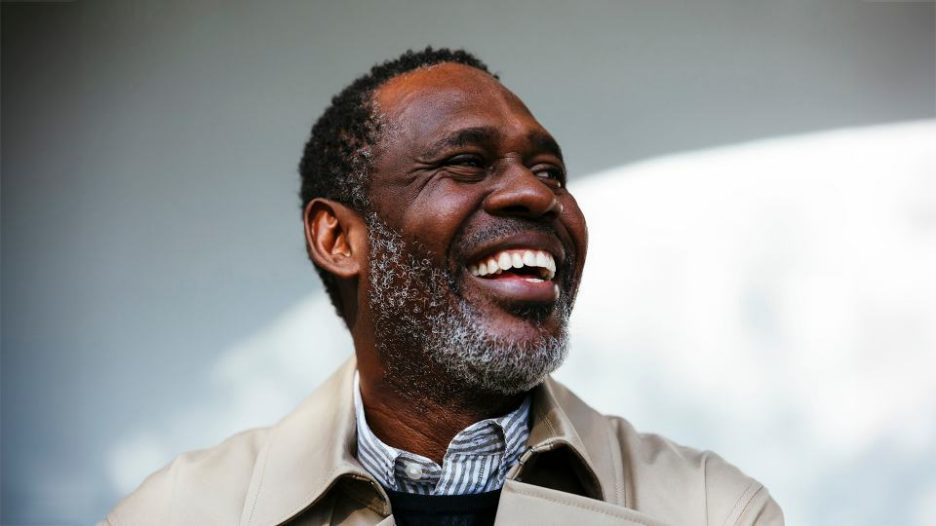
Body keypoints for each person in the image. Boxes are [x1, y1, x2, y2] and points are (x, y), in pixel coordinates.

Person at [102, 47, 783, 526]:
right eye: (465, 163)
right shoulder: (179, 513)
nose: (535, 194)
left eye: (549, 171)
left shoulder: (710, 509)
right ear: (340, 240)